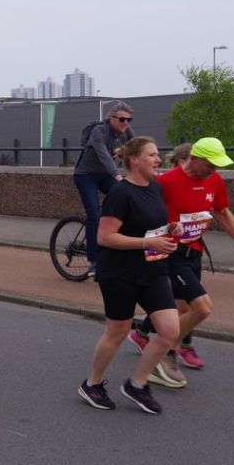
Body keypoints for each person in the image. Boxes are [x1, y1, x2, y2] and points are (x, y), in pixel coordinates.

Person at [128, 137, 234, 371]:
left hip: (194, 251)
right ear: (194, 158)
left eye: (217, 165)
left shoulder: (214, 180)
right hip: (171, 252)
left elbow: (222, 212)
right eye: (210, 164)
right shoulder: (166, 181)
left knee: (182, 309)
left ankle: (146, 337)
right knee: (202, 308)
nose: (214, 170)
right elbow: (144, 212)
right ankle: (165, 352)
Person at [76, 137, 182, 415]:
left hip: (153, 270)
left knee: (170, 330)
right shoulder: (120, 194)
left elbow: (150, 224)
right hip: (120, 273)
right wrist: (148, 242)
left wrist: (170, 228)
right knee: (118, 332)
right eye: (152, 155)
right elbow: (104, 237)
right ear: (135, 160)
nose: (158, 159)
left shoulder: (155, 188)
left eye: (157, 154)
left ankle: (137, 384)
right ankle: (92, 384)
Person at [72, 101, 135, 280]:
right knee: (94, 215)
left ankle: (117, 245)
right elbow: (104, 156)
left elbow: (137, 150)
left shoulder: (127, 132)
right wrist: (118, 176)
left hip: (105, 176)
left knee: (125, 202)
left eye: (128, 119)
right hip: (86, 176)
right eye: (122, 119)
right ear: (111, 118)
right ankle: (94, 261)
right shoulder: (99, 131)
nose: (125, 122)